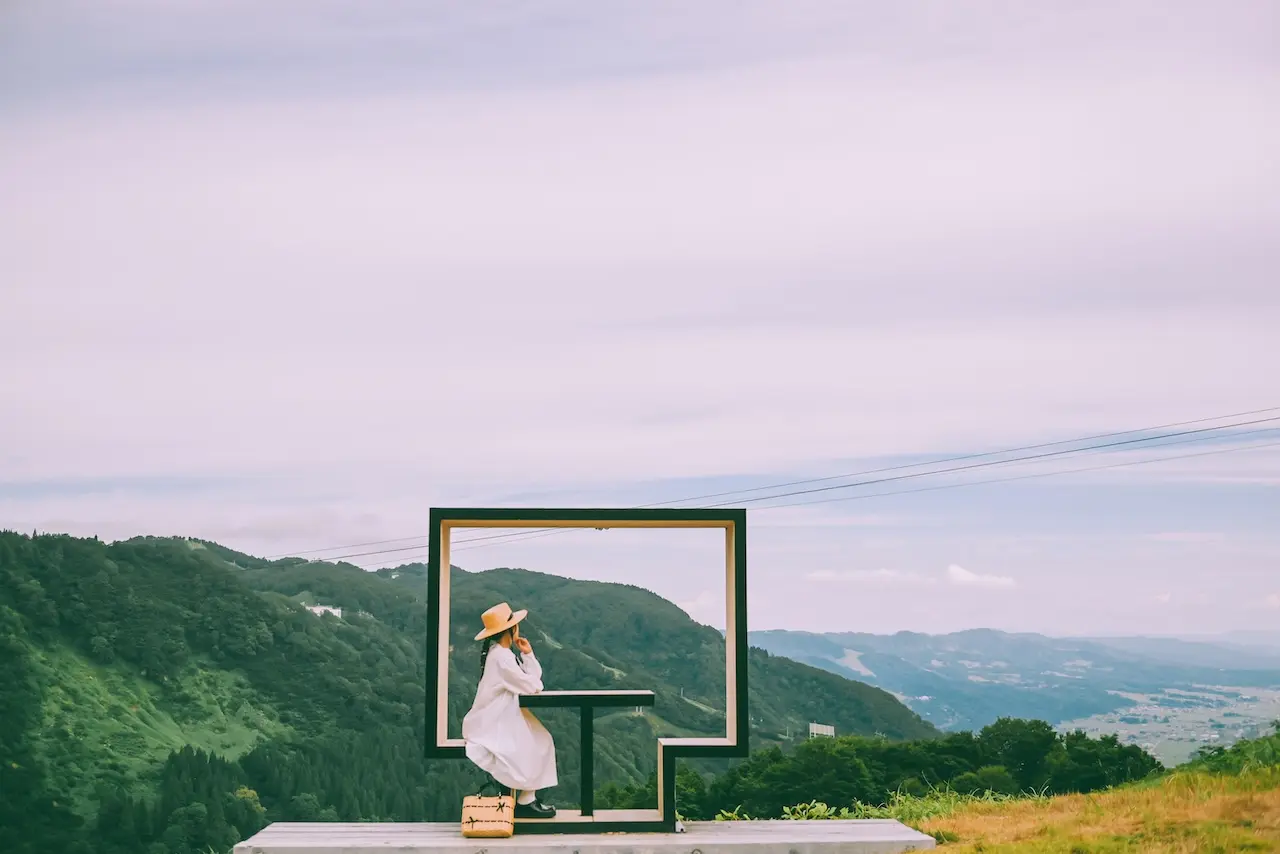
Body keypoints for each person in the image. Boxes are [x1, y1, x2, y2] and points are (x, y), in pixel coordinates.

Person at [462, 602, 558, 818]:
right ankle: (525, 801)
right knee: (537, 742)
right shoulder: (502, 657)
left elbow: (528, 680)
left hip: (496, 716)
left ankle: (526, 799)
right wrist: (529, 658)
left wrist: (527, 654)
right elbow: (533, 685)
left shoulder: (499, 654)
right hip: (493, 720)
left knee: (540, 740)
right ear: (511, 629)